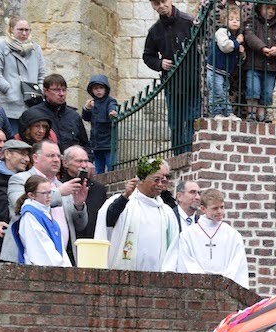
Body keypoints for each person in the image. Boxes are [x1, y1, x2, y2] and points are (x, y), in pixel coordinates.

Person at [7, 141, 89, 258]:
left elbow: (80, 226)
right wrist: (59, 192)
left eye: (58, 156)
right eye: (51, 155)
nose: (56, 160)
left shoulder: (62, 185)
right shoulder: (19, 179)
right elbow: (20, 207)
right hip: (26, 257)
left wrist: (79, 205)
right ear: (35, 158)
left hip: (59, 257)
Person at [99, 157, 179, 271]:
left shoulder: (167, 212)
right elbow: (108, 221)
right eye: (156, 180)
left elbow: (173, 246)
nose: (160, 184)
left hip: (156, 278)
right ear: (141, 179)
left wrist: (167, 272)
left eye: (163, 180)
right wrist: (125, 196)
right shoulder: (123, 201)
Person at [161, 189, 251, 287]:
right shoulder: (188, 234)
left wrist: (223, 282)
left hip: (226, 288)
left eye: (222, 207)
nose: (220, 211)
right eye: (215, 208)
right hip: (197, 286)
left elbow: (237, 263)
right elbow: (186, 262)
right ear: (203, 209)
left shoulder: (232, 234)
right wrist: (204, 281)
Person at [143, 0, 199, 154]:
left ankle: (191, 155)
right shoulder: (154, 31)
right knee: (175, 123)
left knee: (193, 120)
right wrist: (160, 63)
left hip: (193, 82)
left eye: (163, 1)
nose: (161, 6)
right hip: (172, 84)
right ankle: (178, 157)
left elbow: (203, 45)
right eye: (156, 4)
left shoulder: (188, 21)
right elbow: (148, 56)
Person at [0, 16, 46, 125]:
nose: (24, 33)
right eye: (20, 30)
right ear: (11, 30)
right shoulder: (1, 45)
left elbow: (42, 74)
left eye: (27, 30)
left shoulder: (35, 48)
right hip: (9, 102)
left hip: (31, 103)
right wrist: (7, 88)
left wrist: (40, 90)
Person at [6, 175, 72, 267]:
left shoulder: (44, 213)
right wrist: (62, 267)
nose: (49, 196)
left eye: (50, 192)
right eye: (45, 193)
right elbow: (41, 250)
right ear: (31, 195)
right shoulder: (30, 215)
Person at [244, 2, 276, 122]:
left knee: (267, 92)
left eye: (273, 9)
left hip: (271, 67)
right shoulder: (252, 21)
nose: (271, 11)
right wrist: (262, 47)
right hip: (254, 64)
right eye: (267, 8)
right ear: (259, 8)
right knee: (253, 89)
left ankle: (262, 115)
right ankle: (251, 113)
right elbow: (249, 36)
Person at [59, 145, 107, 239]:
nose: (84, 165)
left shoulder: (99, 189)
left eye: (86, 161)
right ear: (65, 163)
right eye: (79, 161)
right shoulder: (59, 188)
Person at [207, 4, 244, 119]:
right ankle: (216, 113)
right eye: (231, 19)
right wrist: (237, 43)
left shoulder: (234, 36)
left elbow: (237, 58)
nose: (234, 22)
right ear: (224, 20)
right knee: (217, 91)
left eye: (237, 20)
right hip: (215, 69)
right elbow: (225, 46)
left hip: (224, 72)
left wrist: (241, 52)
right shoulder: (222, 32)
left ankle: (227, 112)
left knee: (224, 92)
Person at [39, 74, 89, 154]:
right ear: (46, 91)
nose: (61, 94)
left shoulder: (74, 116)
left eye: (64, 90)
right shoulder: (36, 114)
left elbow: (85, 144)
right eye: (56, 90)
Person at [82, 75, 119, 174]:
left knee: (112, 169)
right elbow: (85, 117)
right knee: (98, 170)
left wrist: (112, 112)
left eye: (101, 88)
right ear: (91, 90)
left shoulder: (110, 101)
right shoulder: (92, 102)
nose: (98, 91)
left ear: (105, 89)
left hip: (108, 144)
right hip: (96, 144)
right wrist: (87, 108)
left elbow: (112, 107)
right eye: (95, 88)